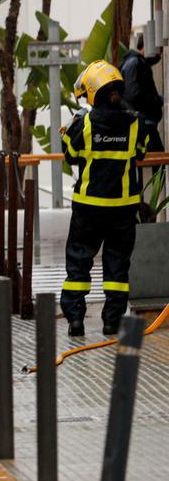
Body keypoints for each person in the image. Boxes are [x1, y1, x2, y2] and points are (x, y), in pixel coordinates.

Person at [61, 60, 152, 337]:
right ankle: (111, 322)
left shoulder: (84, 124)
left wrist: (68, 130)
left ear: (93, 92)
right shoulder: (135, 123)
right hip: (123, 209)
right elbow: (140, 152)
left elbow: (71, 155)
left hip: (89, 208)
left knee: (79, 262)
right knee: (117, 266)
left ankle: (76, 321)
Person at [120, 33, 164, 152]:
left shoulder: (138, 62)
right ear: (147, 46)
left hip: (144, 120)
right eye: (158, 49)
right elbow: (133, 94)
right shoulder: (134, 63)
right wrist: (156, 101)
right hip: (143, 121)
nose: (159, 54)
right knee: (157, 157)